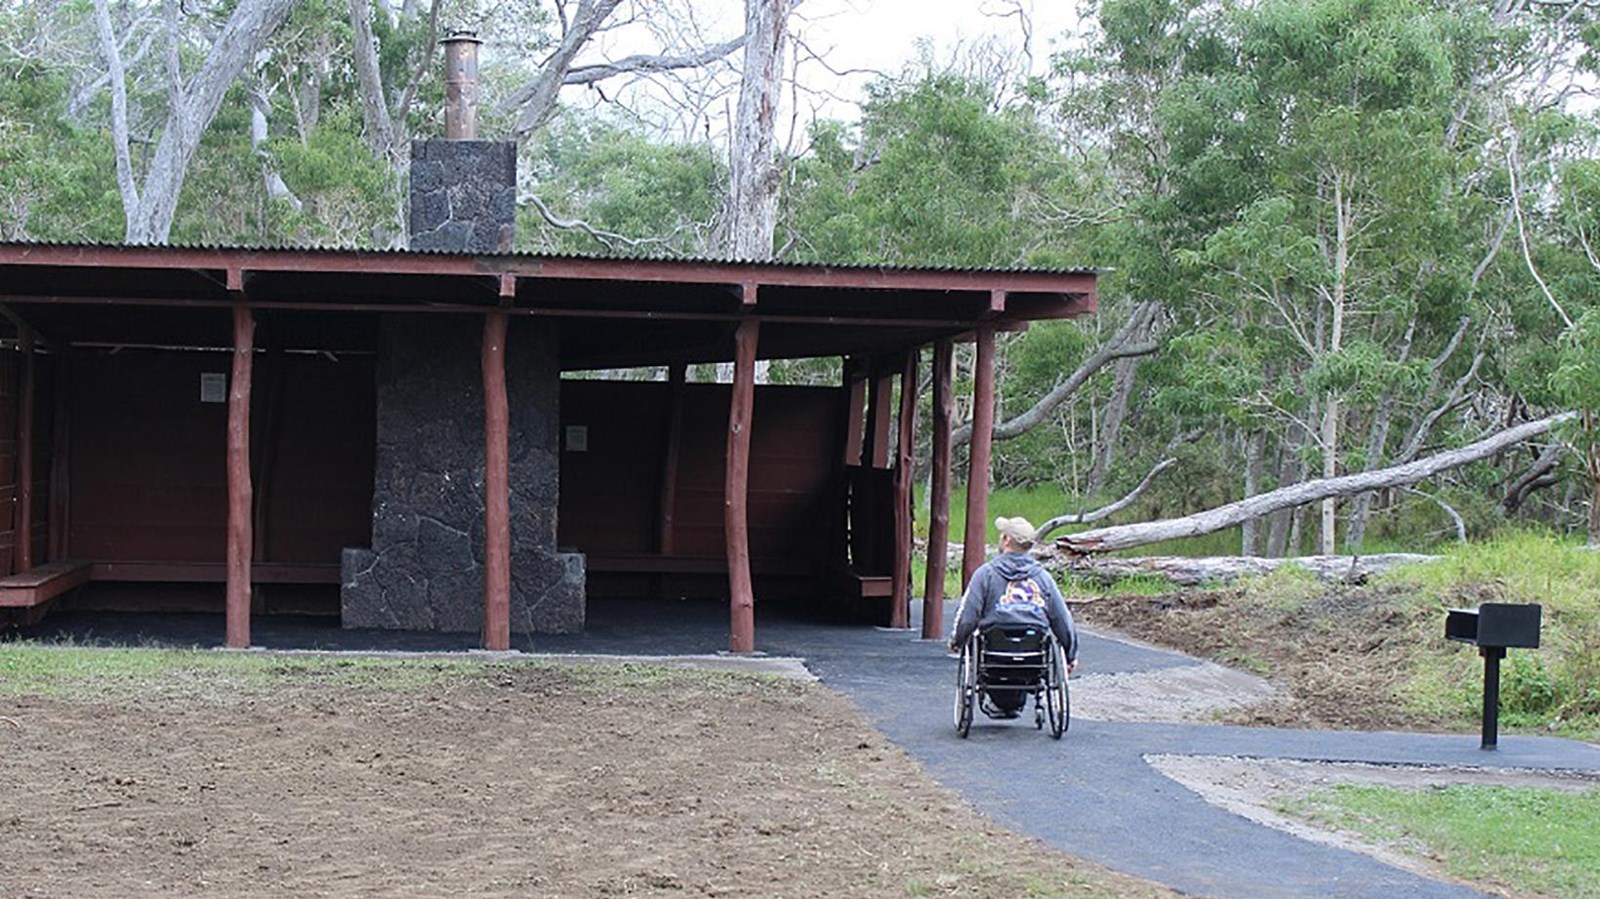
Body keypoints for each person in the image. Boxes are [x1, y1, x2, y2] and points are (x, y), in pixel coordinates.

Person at [948, 516, 1079, 719]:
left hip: (993, 655)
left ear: (1006, 540)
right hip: (1034, 657)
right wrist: (1070, 654)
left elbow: (969, 615)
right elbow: (1061, 618)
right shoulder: (1043, 578)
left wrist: (957, 640)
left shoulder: (985, 575)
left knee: (981, 639)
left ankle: (996, 701)